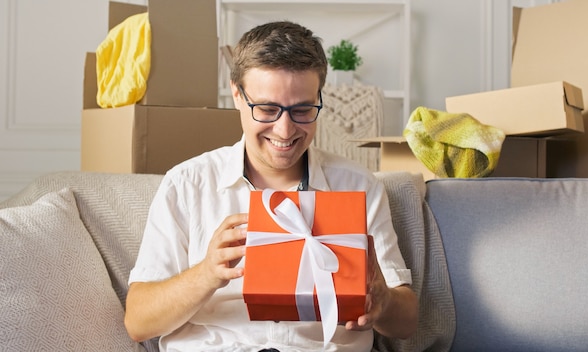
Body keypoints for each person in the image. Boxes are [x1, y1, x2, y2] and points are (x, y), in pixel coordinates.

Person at [124, 20, 418, 351]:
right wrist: (206, 274)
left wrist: (384, 301)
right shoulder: (187, 184)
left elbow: (406, 323)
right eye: (267, 109)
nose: (284, 130)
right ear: (237, 95)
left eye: (303, 109)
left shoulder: (358, 186)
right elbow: (138, 322)